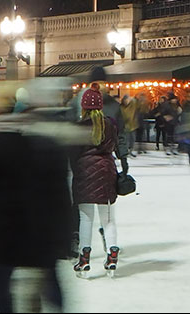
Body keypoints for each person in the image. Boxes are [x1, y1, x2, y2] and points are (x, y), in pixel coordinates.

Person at [0, 78, 74, 313]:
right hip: (41, 229)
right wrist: (64, 235)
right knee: (48, 277)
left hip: (6, 227)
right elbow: (60, 194)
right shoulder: (52, 141)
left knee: (2, 279)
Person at [72, 87, 120, 276]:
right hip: (107, 172)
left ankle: (84, 259)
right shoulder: (110, 124)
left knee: (86, 218)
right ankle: (112, 254)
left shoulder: (80, 126)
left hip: (85, 173)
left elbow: (73, 153)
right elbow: (115, 145)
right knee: (108, 219)